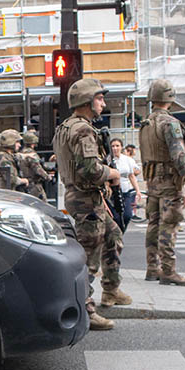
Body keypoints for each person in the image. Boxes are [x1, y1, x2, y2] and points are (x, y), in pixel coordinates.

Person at [54, 78, 127, 329]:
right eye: (99, 98)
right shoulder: (82, 130)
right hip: (86, 200)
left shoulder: (67, 127)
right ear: (86, 101)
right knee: (89, 260)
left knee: (114, 238)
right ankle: (86, 309)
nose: (103, 103)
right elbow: (91, 170)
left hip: (87, 198)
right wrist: (113, 174)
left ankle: (111, 290)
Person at [139, 79, 185, 286]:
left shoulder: (146, 124)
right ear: (170, 98)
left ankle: (152, 267)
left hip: (152, 181)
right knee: (169, 224)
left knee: (152, 224)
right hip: (169, 182)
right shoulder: (169, 123)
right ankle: (168, 270)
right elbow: (179, 154)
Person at [110, 137, 140, 231]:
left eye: (117, 146)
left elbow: (131, 176)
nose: (115, 148)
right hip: (112, 192)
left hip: (126, 191)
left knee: (127, 215)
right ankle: (116, 236)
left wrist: (138, 190)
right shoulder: (108, 160)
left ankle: (120, 233)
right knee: (116, 217)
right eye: (113, 146)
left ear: (121, 147)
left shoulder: (128, 160)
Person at [17, 130, 51, 201]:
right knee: (43, 206)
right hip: (34, 186)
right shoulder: (32, 155)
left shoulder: (20, 154)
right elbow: (38, 170)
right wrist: (48, 177)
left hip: (24, 186)